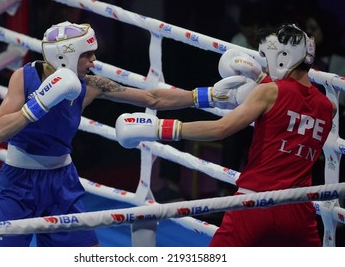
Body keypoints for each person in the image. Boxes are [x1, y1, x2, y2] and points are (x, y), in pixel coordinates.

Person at [0, 21, 260, 246]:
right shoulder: (24, 79)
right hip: (19, 184)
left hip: (62, 182)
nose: (94, 60)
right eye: (87, 54)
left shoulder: (92, 84)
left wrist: (206, 96)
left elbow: (153, 97)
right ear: (66, 56)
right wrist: (38, 104)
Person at [115, 23, 337, 246]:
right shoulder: (329, 107)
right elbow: (294, 109)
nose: (267, 67)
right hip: (298, 208)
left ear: (283, 57)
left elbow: (220, 129)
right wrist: (260, 79)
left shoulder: (269, 91)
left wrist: (158, 128)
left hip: (255, 201)